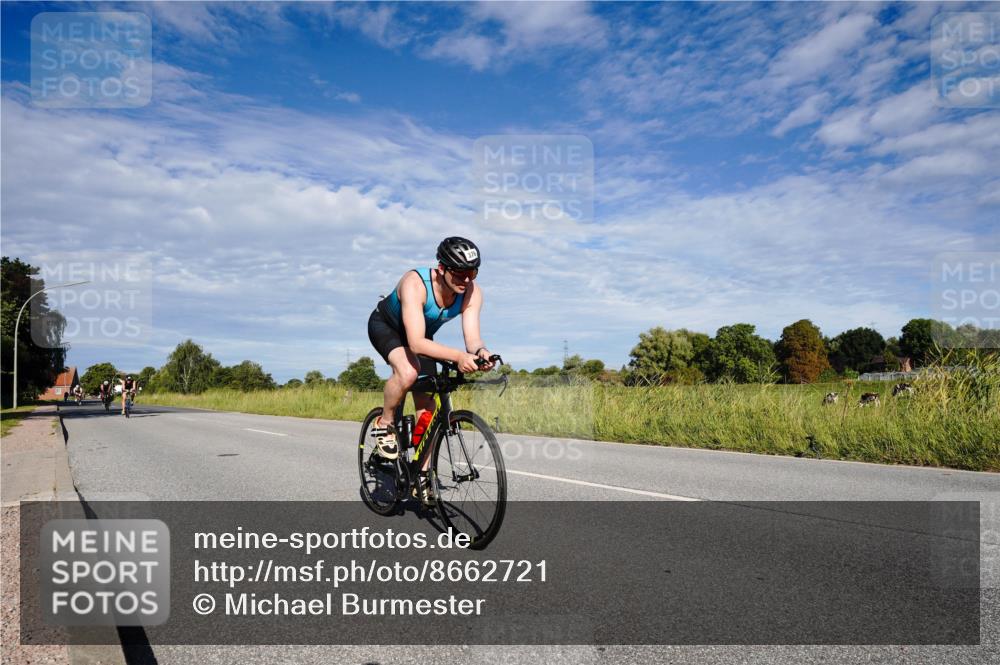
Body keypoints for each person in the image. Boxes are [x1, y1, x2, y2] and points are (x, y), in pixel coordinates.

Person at [367, 237, 495, 491]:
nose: (466, 280)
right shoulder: (416, 284)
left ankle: (422, 477)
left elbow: (472, 338)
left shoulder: (472, 291)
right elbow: (415, 343)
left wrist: (481, 352)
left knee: (429, 410)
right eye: (459, 274)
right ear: (441, 269)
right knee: (408, 371)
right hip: (388, 328)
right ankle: (384, 424)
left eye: (472, 272)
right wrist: (457, 357)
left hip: (422, 337)